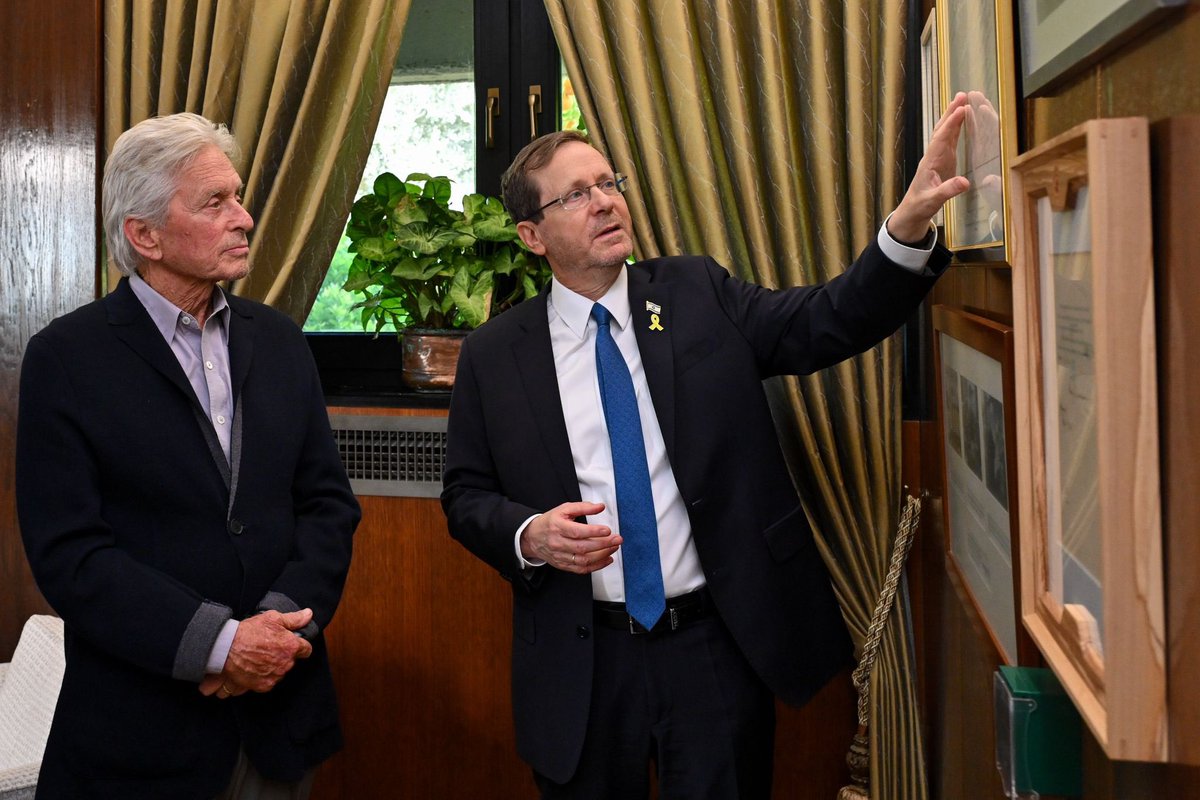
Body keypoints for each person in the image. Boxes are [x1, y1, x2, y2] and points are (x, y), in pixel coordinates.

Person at [441, 91, 972, 799]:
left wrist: (904, 229)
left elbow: (826, 320)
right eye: (576, 195)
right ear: (532, 236)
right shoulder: (493, 354)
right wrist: (529, 535)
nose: (605, 202)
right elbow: (465, 496)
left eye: (608, 183)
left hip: (710, 647)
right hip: (582, 659)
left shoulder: (694, 292)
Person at [15, 112, 361, 800]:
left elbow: (327, 507)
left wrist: (274, 630)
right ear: (144, 235)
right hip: (140, 737)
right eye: (215, 202)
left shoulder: (281, 341)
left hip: (279, 722)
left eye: (239, 196)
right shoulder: (67, 358)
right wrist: (218, 644)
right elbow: (71, 553)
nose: (245, 218)